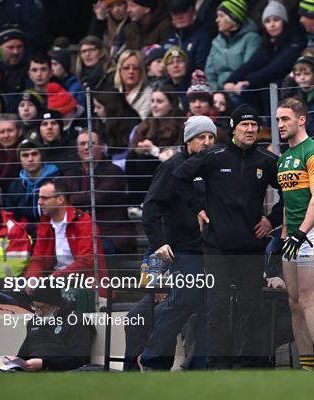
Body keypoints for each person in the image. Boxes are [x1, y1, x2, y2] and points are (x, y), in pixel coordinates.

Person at [173, 104, 282, 369]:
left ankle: (248, 365)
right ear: (233, 128)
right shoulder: (214, 155)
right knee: (218, 306)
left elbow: (290, 193)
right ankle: (218, 363)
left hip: (251, 247)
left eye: (254, 125)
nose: (250, 129)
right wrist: (198, 208)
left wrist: (272, 220)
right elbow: (179, 177)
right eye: (244, 125)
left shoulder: (267, 161)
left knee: (250, 307)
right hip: (217, 246)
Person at [137, 115, 217, 371]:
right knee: (184, 300)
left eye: (211, 137)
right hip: (181, 249)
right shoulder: (173, 166)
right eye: (200, 137)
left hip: (211, 249)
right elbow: (150, 206)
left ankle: (200, 364)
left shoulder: (214, 168)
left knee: (210, 307)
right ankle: (153, 360)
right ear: (188, 140)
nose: (206, 142)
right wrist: (158, 242)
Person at [275, 97, 314, 371]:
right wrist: (287, 234)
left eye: (285, 118)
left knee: (309, 299)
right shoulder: (284, 158)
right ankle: (307, 365)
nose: (280, 124)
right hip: (295, 234)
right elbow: (289, 202)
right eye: (277, 120)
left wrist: (300, 233)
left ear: (301, 119)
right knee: (294, 301)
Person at [25, 179, 108, 298]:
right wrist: (32, 278)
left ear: (60, 199)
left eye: (44, 198)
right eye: (39, 198)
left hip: (84, 285)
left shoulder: (83, 221)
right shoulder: (45, 223)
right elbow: (39, 258)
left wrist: (55, 278)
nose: (39, 202)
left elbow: (87, 261)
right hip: (56, 282)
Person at [224, 0, 306, 115]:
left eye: (276, 20)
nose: (272, 24)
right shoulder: (268, 44)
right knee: (246, 91)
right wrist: (231, 80)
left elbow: (278, 67)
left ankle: (271, 127)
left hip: (288, 85)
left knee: (266, 88)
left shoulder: (295, 40)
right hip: (271, 85)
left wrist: (248, 81)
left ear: (284, 22)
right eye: (267, 21)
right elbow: (252, 64)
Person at [63, 130, 137, 255]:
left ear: (101, 147)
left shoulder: (114, 171)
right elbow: (59, 199)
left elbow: (97, 198)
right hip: (80, 234)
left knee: (93, 250)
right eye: (82, 143)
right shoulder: (70, 174)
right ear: (77, 149)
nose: (86, 147)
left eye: (91, 143)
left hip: (111, 235)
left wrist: (69, 198)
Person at [9, 286, 95, 371]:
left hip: (61, 372)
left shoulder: (76, 321)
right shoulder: (33, 322)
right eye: (35, 306)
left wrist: (44, 363)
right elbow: (23, 354)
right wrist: (14, 362)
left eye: (43, 307)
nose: (39, 312)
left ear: (57, 305)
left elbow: (79, 360)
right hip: (34, 371)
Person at [4, 138, 59, 238]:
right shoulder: (15, 186)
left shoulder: (57, 180)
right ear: (19, 159)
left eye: (34, 154)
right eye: (25, 155)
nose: (30, 159)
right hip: (23, 237)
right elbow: (10, 218)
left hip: (54, 234)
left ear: (41, 155)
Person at [204, 0, 261, 90]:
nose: (217, 20)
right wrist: (216, 92)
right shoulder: (216, 41)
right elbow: (209, 73)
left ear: (233, 18)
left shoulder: (251, 39)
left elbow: (248, 68)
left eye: (221, 16)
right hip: (218, 94)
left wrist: (232, 85)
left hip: (240, 90)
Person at [92, 87, 141, 170]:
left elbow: (133, 158)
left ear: (110, 108)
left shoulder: (133, 126)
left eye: (98, 107)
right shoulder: (101, 123)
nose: (95, 111)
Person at [161, 0, 212, 71]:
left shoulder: (203, 37)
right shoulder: (170, 38)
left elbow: (200, 68)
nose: (179, 17)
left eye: (183, 11)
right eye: (175, 13)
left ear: (193, 12)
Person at [113, 49, 152, 119]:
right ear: (119, 71)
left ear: (141, 71)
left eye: (135, 68)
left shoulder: (149, 95)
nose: (131, 71)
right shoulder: (114, 92)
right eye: (126, 68)